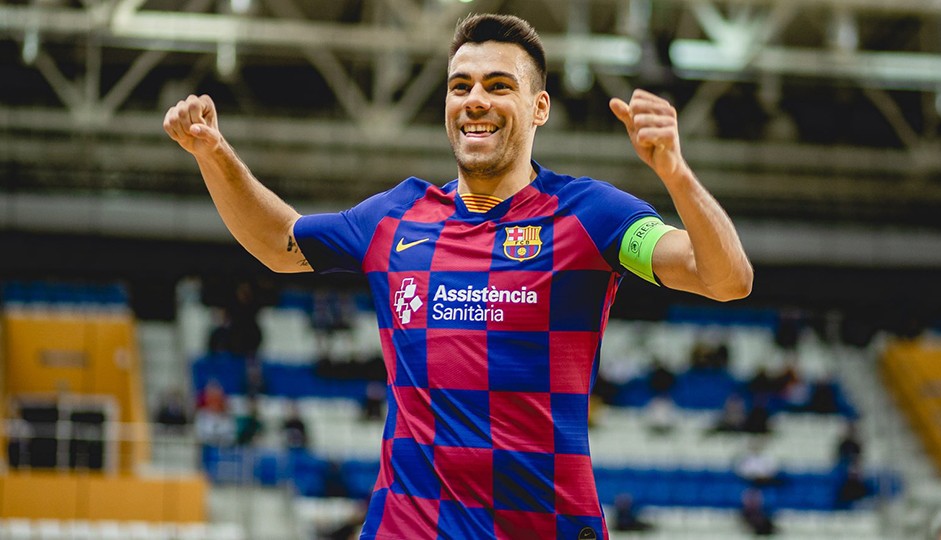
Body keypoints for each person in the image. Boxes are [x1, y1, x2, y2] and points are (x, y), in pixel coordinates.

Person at [164, 13, 752, 539]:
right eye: (460, 86)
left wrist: (676, 174)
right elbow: (279, 243)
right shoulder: (394, 218)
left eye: (499, 86)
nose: (475, 100)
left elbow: (724, 278)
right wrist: (214, 154)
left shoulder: (591, 215)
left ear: (539, 107)